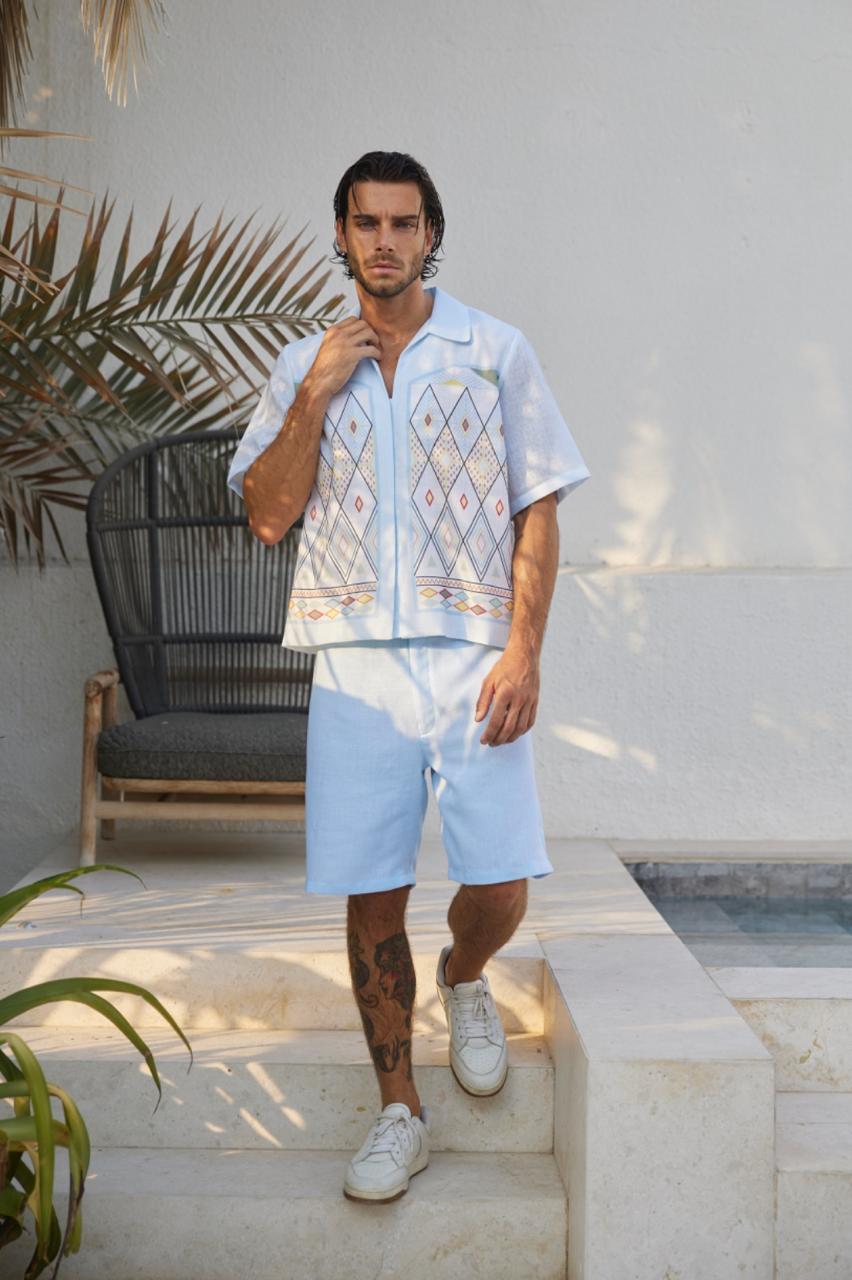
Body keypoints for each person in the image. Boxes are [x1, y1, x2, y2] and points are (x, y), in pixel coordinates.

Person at [227, 150, 591, 1204]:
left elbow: (541, 507)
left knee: (501, 879)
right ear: (340, 235)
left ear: (432, 232)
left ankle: (466, 974)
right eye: (365, 222)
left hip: (476, 652)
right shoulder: (305, 361)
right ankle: (401, 1110)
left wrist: (524, 651)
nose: (384, 240)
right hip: (352, 662)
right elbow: (266, 513)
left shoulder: (495, 351)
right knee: (372, 892)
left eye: (403, 222)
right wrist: (313, 394)